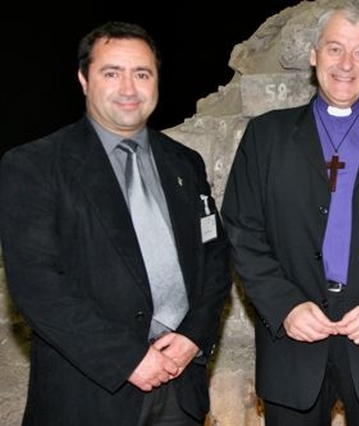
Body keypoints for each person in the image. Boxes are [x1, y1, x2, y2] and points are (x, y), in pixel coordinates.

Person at [221, 4, 359, 426]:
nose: (347, 64)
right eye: (335, 49)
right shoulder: (266, 137)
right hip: (293, 341)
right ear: (314, 55)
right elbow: (241, 229)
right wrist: (286, 305)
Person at [0, 21, 232, 426]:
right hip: (89, 395)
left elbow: (213, 256)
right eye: (112, 73)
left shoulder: (184, 163)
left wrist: (194, 336)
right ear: (83, 79)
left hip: (180, 389)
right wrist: (128, 358)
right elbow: (36, 283)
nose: (129, 88)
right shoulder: (34, 166)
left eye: (142, 74)